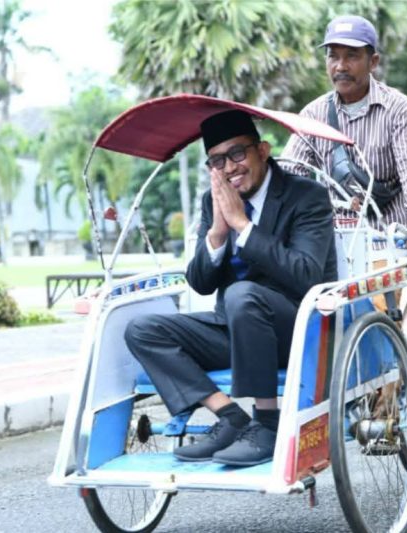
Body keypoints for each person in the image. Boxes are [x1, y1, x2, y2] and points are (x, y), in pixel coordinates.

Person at [124, 110, 337, 466]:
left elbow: (307, 274)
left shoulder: (306, 196)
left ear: (263, 151)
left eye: (238, 153)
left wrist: (242, 224)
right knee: (143, 330)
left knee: (242, 294)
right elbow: (201, 283)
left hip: (297, 331)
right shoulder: (214, 201)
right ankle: (230, 418)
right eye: (218, 160)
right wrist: (218, 234)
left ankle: (267, 422)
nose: (230, 167)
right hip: (234, 328)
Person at [280, 14, 407, 250]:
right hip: (333, 241)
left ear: (373, 62)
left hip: (390, 239)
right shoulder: (313, 114)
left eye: (352, 56)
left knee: (398, 286)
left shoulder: (399, 108)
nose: (340, 66)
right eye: (333, 56)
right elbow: (290, 174)